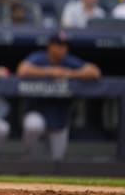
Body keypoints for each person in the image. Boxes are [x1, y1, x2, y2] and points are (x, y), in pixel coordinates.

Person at [17, 32, 101, 161]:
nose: (63, 49)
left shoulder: (68, 61)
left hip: (59, 118)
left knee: (57, 160)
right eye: (59, 46)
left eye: (65, 46)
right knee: (33, 125)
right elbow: (22, 70)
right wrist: (49, 72)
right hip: (37, 112)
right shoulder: (39, 58)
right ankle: (28, 158)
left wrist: (68, 74)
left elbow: (95, 72)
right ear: (50, 46)